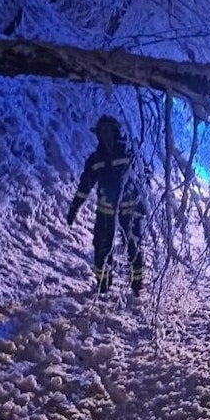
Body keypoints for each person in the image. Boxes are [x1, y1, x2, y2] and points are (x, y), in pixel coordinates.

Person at [66, 115, 146, 297]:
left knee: (134, 246)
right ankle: (103, 285)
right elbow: (84, 187)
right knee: (101, 248)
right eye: (102, 131)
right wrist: (73, 209)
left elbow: (143, 180)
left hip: (129, 211)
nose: (105, 134)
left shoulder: (130, 155)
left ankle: (137, 285)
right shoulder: (95, 160)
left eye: (108, 130)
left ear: (116, 131)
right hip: (105, 213)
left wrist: (141, 206)